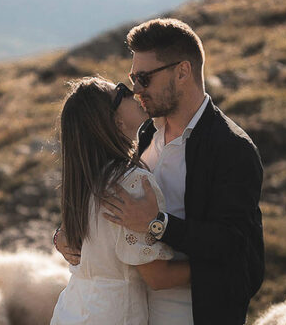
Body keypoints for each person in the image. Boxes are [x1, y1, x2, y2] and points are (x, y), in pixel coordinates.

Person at [55, 18, 264, 325]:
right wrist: (67, 236)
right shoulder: (144, 136)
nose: (137, 89)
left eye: (144, 78)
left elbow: (234, 245)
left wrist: (158, 225)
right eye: (132, 79)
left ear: (182, 72)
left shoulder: (232, 148)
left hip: (193, 313)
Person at [50, 76, 190, 325]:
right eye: (122, 92)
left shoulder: (84, 180)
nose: (134, 92)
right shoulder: (131, 182)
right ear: (116, 121)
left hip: (71, 311)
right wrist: (224, 264)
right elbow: (158, 278)